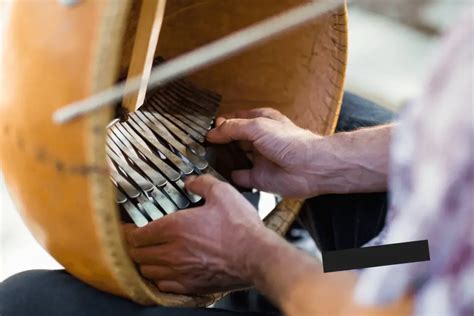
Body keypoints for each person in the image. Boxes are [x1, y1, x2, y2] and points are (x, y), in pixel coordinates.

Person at [1, 11, 472, 316]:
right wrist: (324, 158)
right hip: (418, 249)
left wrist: (252, 258)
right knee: (321, 115)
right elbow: (455, 136)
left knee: (30, 304)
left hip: (396, 294)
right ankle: (299, 263)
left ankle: (272, 279)